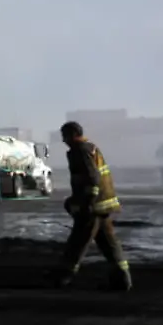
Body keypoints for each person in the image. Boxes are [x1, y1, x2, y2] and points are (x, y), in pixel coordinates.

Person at [49, 121, 131, 291]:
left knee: (77, 242)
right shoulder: (91, 147)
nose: (64, 141)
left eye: (65, 136)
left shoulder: (79, 150)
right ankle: (123, 279)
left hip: (92, 207)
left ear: (72, 135)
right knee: (109, 244)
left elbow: (92, 178)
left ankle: (63, 277)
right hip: (104, 205)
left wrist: (86, 203)